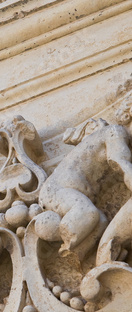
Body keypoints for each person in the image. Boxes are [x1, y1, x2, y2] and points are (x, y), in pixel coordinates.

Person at [37, 106, 132, 262]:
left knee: (101, 222)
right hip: (55, 191)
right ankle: (66, 243)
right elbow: (122, 165)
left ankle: (79, 258)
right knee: (88, 213)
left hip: (71, 193)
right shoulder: (114, 132)